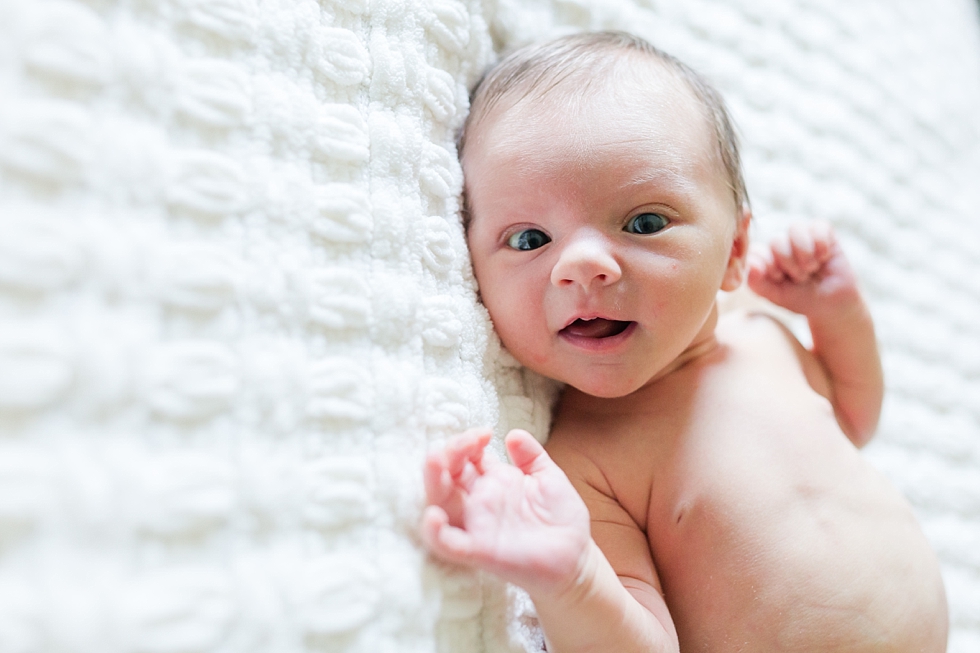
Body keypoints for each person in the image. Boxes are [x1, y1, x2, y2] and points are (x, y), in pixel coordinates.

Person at [421, 31, 948, 652]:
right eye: (531, 240)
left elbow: (855, 418)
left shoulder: (763, 332)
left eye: (644, 222)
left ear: (734, 252)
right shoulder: (589, 462)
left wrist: (838, 314)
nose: (584, 265)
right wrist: (571, 581)